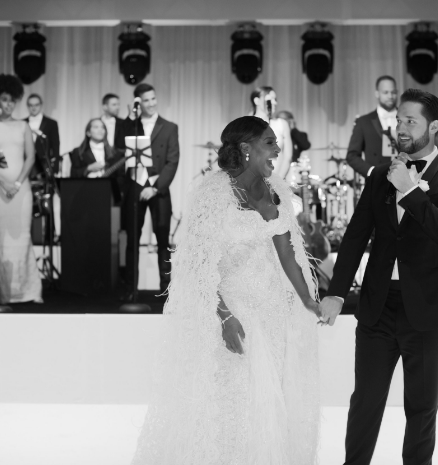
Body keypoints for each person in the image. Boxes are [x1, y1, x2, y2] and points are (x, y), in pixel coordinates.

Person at [130, 116, 321, 464]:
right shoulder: (212, 194)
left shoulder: (275, 189)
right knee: (235, 401)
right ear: (246, 149)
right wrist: (226, 316)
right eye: (269, 142)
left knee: (269, 401)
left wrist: (308, 299)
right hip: (233, 312)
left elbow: (287, 254)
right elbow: (198, 265)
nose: (277, 149)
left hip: (272, 313)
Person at [319, 89, 438, 465]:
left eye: (411, 121)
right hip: (377, 307)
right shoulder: (378, 175)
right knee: (365, 402)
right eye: (399, 119)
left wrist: (409, 190)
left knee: (421, 407)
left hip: (429, 311)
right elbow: (356, 235)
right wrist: (336, 293)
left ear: (434, 127)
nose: (401, 127)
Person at [0, 74, 43, 304]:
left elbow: (31, 157)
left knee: (23, 237)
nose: (8, 104)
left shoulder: (23, 126)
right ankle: (2, 292)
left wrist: (16, 183)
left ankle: (29, 291)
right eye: (4, 99)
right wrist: (2, 183)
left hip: (21, 190)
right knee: (2, 239)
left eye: (12, 100)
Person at [121, 83, 179, 298]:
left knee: (162, 239)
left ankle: (165, 290)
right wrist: (130, 118)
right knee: (132, 240)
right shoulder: (131, 125)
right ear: (138, 102)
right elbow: (120, 147)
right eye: (146, 100)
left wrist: (155, 188)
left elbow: (172, 161)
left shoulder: (169, 127)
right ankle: (130, 289)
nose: (151, 103)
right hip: (135, 188)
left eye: (153, 98)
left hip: (158, 190)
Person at [346, 75, 399, 178]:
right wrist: (371, 171)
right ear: (377, 93)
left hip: (406, 183)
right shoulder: (363, 122)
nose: (390, 96)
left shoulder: (408, 120)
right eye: (386, 92)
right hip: (376, 184)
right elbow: (352, 156)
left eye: (393, 92)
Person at [250, 86, 292, 178]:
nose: (274, 102)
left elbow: (287, 157)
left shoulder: (281, 124)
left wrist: (277, 182)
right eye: (270, 99)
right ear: (256, 101)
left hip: (277, 180)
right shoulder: (246, 125)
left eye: (275, 99)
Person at [24, 93, 60, 179]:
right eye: (31, 105)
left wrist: (55, 167)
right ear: (27, 106)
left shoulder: (51, 123)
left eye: (36, 105)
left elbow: (55, 145)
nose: (34, 108)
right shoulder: (22, 123)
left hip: (44, 164)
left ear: (41, 105)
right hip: (25, 163)